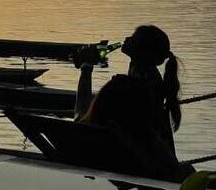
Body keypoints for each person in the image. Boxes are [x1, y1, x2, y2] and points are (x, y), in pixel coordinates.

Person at [75, 25, 182, 156]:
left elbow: (81, 122)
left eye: (133, 38)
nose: (126, 39)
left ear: (143, 51)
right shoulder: (150, 81)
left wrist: (86, 66)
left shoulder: (128, 87)